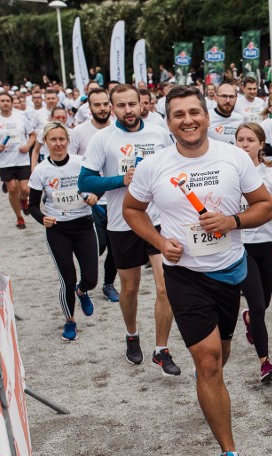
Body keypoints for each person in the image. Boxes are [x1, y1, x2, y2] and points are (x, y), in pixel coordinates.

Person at [125, 85, 272, 456]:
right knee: (207, 361)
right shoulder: (154, 166)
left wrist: (233, 221)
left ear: (207, 117)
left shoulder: (234, 157)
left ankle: (209, 387)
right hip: (184, 275)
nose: (188, 120)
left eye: (194, 112)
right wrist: (159, 242)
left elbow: (265, 206)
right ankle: (229, 452)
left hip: (229, 272)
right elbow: (132, 209)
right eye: (178, 114)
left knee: (219, 356)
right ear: (168, 121)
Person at [78, 84, 181, 376]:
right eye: (121, 106)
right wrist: (121, 180)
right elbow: (85, 182)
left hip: (159, 221)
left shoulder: (160, 133)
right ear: (112, 108)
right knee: (130, 288)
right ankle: (132, 334)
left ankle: (162, 350)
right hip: (122, 223)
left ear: (142, 104)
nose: (128, 110)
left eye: (132, 104)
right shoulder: (104, 139)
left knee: (165, 286)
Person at [28, 122, 99, 341]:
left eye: (62, 139)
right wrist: (43, 219)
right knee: (67, 278)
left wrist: (96, 195)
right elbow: (31, 206)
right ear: (46, 143)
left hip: (84, 225)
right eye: (53, 140)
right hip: (58, 229)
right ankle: (70, 321)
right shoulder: (41, 170)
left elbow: (97, 183)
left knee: (91, 279)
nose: (58, 144)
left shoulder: (81, 163)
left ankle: (82, 291)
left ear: (68, 141)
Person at [234, 123, 272, 384]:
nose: (244, 144)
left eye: (250, 140)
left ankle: (249, 319)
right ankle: (265, 363)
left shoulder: (271, 174)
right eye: (240, 140)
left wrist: (266, 196)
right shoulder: (229, 173)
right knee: (256, 304)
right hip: (239, 246)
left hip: (266, 245)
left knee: (262, 306)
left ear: (261, 145)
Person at [68, 88, 120, 303]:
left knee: (116, 248)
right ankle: (86, 280)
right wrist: (83, 194)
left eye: (104, 104)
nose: (101, 108)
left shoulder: (120, 131)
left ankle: (108, 284)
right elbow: (70, 169)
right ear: (89, 108)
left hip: (117, 200)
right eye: (96, 105)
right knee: (97, 246)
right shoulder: (79, 132)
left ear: (110, 105)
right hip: (89, 202)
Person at [0, 91, 35, 228]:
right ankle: (19, 217)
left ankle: (24, 199)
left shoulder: (20, 117)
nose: (5, 103)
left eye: (8, 101)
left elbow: (33, 135)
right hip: (6, 161)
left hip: (22, 159)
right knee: (12, 189)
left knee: (25, 189)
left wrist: (27, 146)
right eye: (2, 101)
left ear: (11, 102)